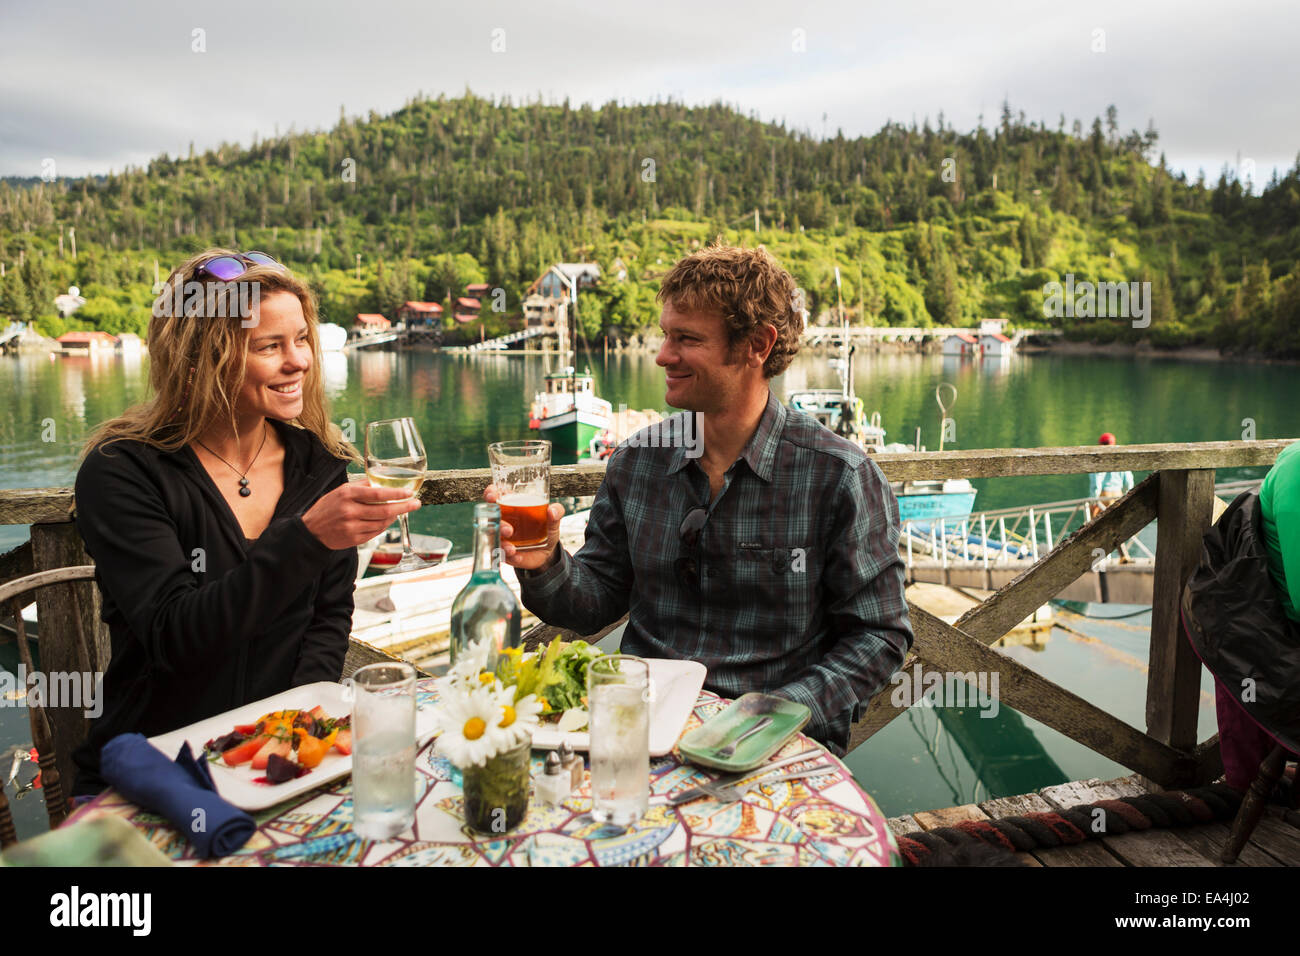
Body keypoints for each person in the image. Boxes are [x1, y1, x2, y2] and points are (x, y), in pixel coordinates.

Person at [490, 244, 913, 756]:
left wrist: (768, 716)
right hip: (636, 736)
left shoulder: (839, 477)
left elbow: (877, 638)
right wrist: (546, 563)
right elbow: (595, 601)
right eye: (666, 335)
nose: (663, 355)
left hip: (773, 748)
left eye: (686, 339)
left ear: (757, 344)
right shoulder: (636, 462)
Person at [70, 249, 420, 797]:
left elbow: (327, 621)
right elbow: (175, 636)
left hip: (280, 765)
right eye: (269, 347)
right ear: (199, 358)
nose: (299, 362)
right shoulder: (123, 471)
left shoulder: (318, 464)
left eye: (302, 339)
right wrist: (305, 539)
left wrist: (294, 737)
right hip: (163, 773)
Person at [1088, 432, 1135, 559]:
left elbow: (1097, 482)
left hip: (1104, 495)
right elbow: (1129, 480)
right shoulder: (1120, 457)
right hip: (1118, 494)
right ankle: (1123, 556)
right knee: (1116, 526)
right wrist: (1127, 495)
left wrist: (1093, 499)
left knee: (1094, 528)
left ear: (1100, 444)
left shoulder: (1099, 458)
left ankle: (1095, 557)